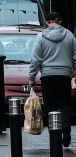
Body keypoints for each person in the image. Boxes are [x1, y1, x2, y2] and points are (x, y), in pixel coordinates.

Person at [29, 10, 76, 147]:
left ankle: (54, 135)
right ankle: (66, 125)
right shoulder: (70, 35)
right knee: (65, 103)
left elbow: (35, 60)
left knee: (50, 105)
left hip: (47, 75)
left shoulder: (41, 37)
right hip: (64, 75)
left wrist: (31, 78)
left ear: (47, 23)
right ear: (60, 21)